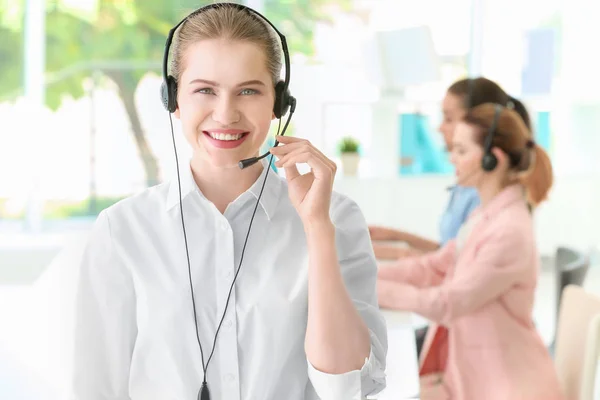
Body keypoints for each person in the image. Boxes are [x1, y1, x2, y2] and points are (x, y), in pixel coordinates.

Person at [70, 4, 387, 400]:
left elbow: (346, 386)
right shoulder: (124, 229)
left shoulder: (336, 217)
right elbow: (97, 386)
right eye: (204, 90)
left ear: (279, 104)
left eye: (249, 91)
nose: (225, 114)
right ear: (173, 99)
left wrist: (317, 229)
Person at [377, 103, 562, 399]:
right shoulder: (485, 215)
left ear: (493, 159)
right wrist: (363, 277)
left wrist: (376, 290)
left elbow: (449, 303)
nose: (452, 159)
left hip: (507, 385)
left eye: (461, 151)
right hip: (473, 372)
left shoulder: (509, 230)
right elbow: (436, 266)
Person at [368, 77, 532, 261]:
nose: (440, 127)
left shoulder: (484, 195)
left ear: (477, 122)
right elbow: (448, 249)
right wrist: (394, 235)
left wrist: (396, 253)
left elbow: (458, 264)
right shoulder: (467, 184)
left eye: (448, 118)